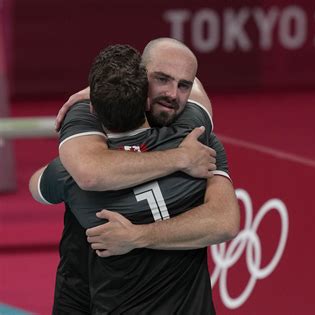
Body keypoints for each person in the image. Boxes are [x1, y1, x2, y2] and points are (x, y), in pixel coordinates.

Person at [31, 44, 239, 313]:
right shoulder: (196, 142)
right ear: (142, 82)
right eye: (162, 79)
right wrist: (180, 158)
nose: (172, 94)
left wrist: (136, 236)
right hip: (81, 285)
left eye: (182, 85)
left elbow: (41, 184)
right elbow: (91, 173)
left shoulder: (195, 134)